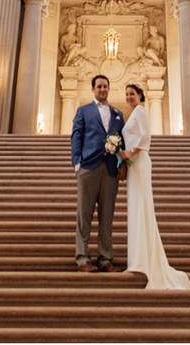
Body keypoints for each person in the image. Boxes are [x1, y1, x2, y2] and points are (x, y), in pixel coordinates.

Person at [119, 83, 190, 290]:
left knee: (141, 207)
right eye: (126, 94)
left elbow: (146, 135)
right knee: (136, 209)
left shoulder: (141, 110)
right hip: (134, 165)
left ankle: (143, 261)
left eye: (132, 94)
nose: (129, 97)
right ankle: (138, 260)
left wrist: (131, 152)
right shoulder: (133, 112)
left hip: (140, 161)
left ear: (140, 95)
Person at [70, 75, 126, 272]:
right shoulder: (83, 111)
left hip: (110, 169)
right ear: (93, 89)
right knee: (84, 215)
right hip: (88, 166)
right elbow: (76, 135)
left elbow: (122, 141)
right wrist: (77, 162)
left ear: (109, 89)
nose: (102, 89)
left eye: (105, 86)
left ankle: (105, 259)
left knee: (107, 216)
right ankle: (83, 258)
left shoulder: (118, 114)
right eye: (99, 86)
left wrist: (123, 165)